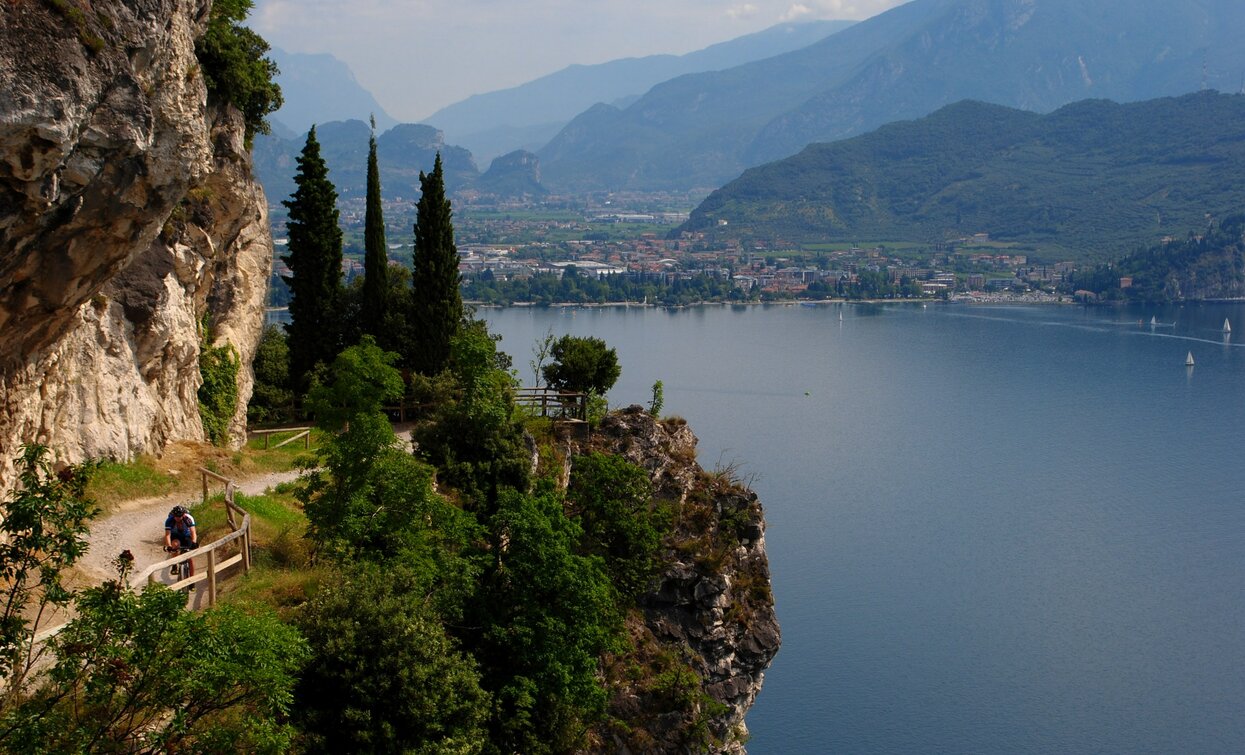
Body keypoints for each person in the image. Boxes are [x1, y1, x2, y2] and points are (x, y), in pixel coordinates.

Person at [164, 505, 198, 580]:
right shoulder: (169, 520)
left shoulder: (188, 519)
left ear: (183, 515)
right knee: (175, 545)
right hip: (176, 536)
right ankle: (174, 564)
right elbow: (167, 535)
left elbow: (193, 532)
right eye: (175, 516)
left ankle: (192, 580)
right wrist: (169, 546)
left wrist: (194, 542)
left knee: (190, 558)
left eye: (179, 516)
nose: (177, 518)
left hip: (186, 536)